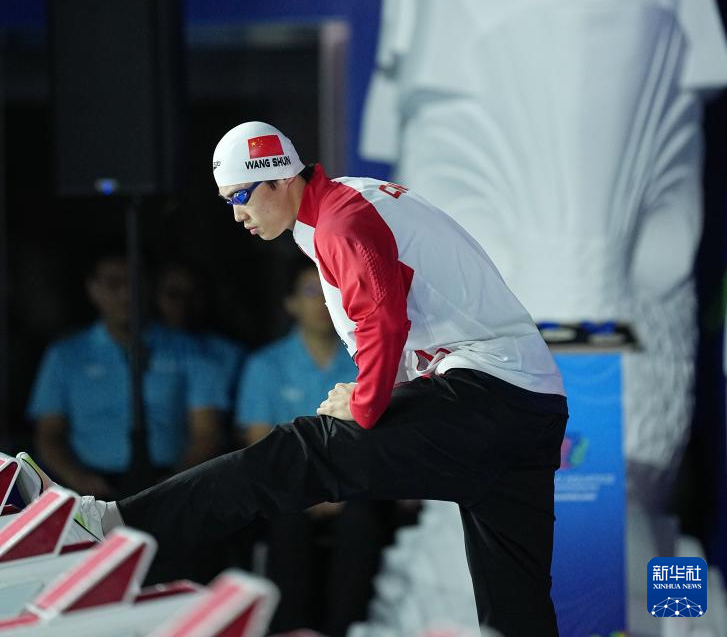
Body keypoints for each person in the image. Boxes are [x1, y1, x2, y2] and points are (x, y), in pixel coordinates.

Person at [18, 121, 568, 637]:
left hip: (489, 394)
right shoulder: (345, 204)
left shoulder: (340, 220)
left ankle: (112, 522)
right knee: (514, 598)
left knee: (302, 450)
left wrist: (366, 404)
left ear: (281, 178)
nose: (237, 214)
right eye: (227, 201)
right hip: (530, 402)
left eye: (241, 196)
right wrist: (383, 395)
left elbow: (383, 320)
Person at [236, 259, 394, 637]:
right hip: (289, 487)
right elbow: (260, 443)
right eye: (312, 291)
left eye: (332, 290)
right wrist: (307, 490)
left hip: (352, 487)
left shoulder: (367, 362)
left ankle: (347, 630)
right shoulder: (265, 365)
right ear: (290, 303)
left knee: (362, 521)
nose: (324, 301)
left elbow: (378, 442)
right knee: (286, 522)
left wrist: (338, 489)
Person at [26, 246, 229, 501]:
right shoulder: (64, 355)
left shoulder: (191, 351)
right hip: (86, 491)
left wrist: (172, 485)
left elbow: (207, 433)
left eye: (135, 283)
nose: (126, 294)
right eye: (113, 283)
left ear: (150, 286)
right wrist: (78, 480)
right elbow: (48, 434)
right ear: (93, 289)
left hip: (173, 488)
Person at [155, 258, 247, 410]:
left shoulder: (231, 353)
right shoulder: (142, 347)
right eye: (173, 294)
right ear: (155, 297)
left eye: (192, 294)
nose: (183, 303)